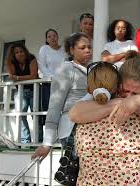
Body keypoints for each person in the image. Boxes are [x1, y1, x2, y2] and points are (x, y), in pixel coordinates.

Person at [69, 52, 140, 185]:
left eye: (135, 92)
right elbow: (75, 114)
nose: (129, 96)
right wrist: (117, 103)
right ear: (118, 81)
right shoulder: (109, 84)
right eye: (125, 90)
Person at [32, 32, 92, 161]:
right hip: (72, 131)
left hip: (91, 131)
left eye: (89, 47)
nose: (87, 50)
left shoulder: (92, 71)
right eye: (82, 48)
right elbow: (54, 106)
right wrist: (47, 143)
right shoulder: (65, 70)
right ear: (71, 50)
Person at [37, 28, 66, 142]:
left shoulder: (63, 50)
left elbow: (66, 64)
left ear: (57, 37)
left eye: (54, 35)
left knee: (61, 110)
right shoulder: (44, 49)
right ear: (46, 39)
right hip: (49, 83)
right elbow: (41, 65)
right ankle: (49, 138)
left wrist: (61, 78)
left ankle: (61, 138)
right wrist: (52, 77)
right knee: (49, 110)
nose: (52, 38)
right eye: (49, 36)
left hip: (62, 84)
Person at [6, 43, 38, 143]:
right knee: (20, 115)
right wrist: (15, 77)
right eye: (16, 52)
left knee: (36, 115)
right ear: (13, 54)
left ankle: (39, 140)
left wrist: (18, 78)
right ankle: (25, 141)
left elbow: (33, 76)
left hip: (34, 91)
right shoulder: (11, 62)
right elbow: (12, 77)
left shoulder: (31, 58)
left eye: (21, 51)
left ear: (25, 51)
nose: (19, 54)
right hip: (21, 92)